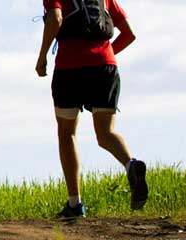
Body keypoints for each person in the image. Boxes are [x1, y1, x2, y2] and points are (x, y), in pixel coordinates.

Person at [36, 0, 148, 219]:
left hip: (70, 68)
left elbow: (55, 19)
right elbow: (129, 34)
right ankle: (130, 165)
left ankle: (74, 204)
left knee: (67, 133)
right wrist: (102, 55)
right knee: (106, 133)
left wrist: (42, 57)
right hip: (105, 67)